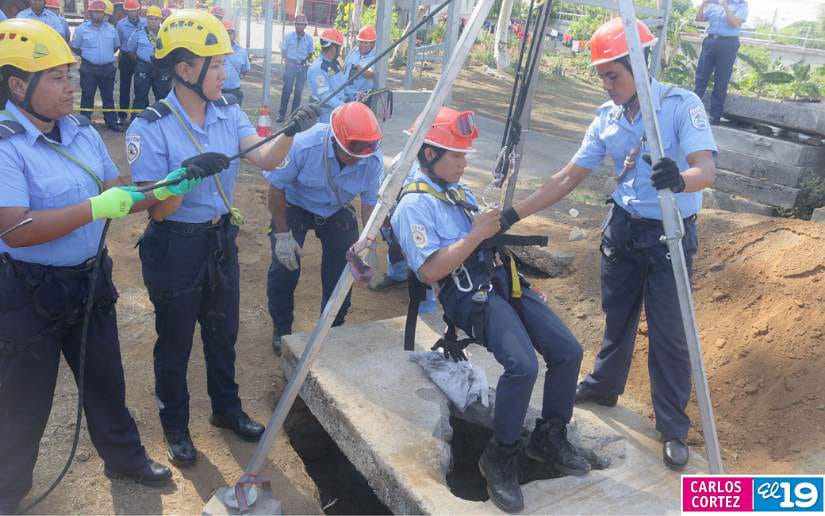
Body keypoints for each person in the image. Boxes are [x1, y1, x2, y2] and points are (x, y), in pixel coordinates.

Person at [506, 17, 717, 471]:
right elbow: (567, 176)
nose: (606, 85)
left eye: (613, 75)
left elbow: (706, 169)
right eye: (601, 75)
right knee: (617, 319)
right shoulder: (606, 119)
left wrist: (680, 179)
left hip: (668, 236)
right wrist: (512, 214)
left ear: (639, 65)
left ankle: (673, 427)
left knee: (669, 334)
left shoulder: (680, 106)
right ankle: (604, 385)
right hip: (623, 230)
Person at [126, 8, 318, 467]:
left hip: (218, 241)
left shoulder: (229, 111)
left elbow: (267, 158)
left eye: (223, 63)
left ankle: (226, 410)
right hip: (174, 245)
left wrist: (291, 132)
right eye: (215, 64)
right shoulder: (149, 127)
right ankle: (175, 425)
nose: (224, 72)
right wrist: (183, 179)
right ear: (183, 69)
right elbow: (156, 207)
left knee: (222, 332)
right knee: (174, 340)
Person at [0, 19, 173, 513]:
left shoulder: (80, 133)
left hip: (89, 279)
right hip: (27, 292)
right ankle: (6, 490)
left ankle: (123, 457)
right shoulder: (6, 146)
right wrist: (93, 209)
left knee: (105, 378)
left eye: (69, 74)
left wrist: (168, 185)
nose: (70, 85)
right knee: (22, 398)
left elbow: (116, 191)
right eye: (55, 77)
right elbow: (13, 227)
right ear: (18, 85)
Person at [390, 106, 589, 514]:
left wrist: (525, 286)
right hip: (467, 295)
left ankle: (549, 436)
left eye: (465, 155)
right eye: (457, 156)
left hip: (501, 281)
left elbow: (490, 242)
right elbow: (429, 271)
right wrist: (476, 233)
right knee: (522, 365)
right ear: (429, 154)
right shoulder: (413, 206)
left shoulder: (457, 191)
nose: (465, 163)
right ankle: (499, 455)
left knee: (568, 351)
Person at [264, 101, 383, 356]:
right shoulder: (304, 144)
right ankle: (282, 328)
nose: (360, 155)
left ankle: (332, 329)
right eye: (354, 148)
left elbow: (369, 203)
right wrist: (283, 235)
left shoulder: (372, 159)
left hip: (336, 209)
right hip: (296, 205)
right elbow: (276, 188)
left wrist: (369, 244)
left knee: (342, 272)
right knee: (285, 268)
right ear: (336, 139)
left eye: (368, 148)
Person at [70, 0, 122, 132]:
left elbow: (116, 47)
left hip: (107, 68)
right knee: (87, 96)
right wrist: (89, 57)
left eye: (100, 12)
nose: (98, 14)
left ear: (104, 13)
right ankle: (84, 124)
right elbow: (75, 47)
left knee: (108, 97)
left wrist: (104, 56)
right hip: (89, 68)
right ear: (90, 13)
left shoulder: (112, 29)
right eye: (95, 11)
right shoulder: (82, 29)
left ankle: (111, 122)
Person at [694, 0, 748, 125]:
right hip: (710, 41)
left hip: (728, 44)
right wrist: (703, 4)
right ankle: (690, 109)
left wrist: (725, 5)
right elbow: (699, 19)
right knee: (701, 78)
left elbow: (735, 23)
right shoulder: (713, 4)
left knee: (721, 80)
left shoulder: (741, 5)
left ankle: (714, 116)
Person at [125, 5, 169, 115]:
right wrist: (140, 62)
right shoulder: (138, 32)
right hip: (143, 67)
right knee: (140, 95)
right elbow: (130, 50)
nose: (153, 21)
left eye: (156, 19)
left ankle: (163, 122)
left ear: (160, 20)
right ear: (146, 19)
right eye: (150, 18)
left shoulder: (166, 33)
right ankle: (137, 120)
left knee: (162, 96)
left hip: (161, 68)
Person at [307, 27, 347, 124]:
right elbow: (325, 96)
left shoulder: (332, 64)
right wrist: (345, 107)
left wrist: (354, 95)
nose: (340, 51)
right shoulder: (317, 69)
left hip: (337, 112)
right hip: (325, 117)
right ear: (334, 49)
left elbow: (341, 85)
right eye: (339, 48)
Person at [277, 14, 313, 123]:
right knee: (287, 90)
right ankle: (281, 114)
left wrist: (304, 61)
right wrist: (287, 61)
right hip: (291, 65)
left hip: (303, 67)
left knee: (298, 92)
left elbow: (310, 53)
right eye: (297, 24)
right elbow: (283, 50)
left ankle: (293, 116)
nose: (299, 26)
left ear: (305, 26)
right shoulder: (288, 37)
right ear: (294, 25)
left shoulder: (309, 39)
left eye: (301, 24)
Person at [115, 0, 145, 125]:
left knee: (141, 88)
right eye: (129, 11)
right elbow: (119, 43)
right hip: (126, 58)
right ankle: (122, 115)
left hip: (141, 59)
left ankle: (138, 115)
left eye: (134, 10)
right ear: (126, 11)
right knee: (124, 87)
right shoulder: (120, 25)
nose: (132, 13)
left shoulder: (145, 22)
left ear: (139, 10)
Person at [343, 25, 376, 102]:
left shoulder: (375, 57)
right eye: (360, 42)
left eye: (365, 43)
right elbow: (344, 68)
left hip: (361, 97)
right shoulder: (353, 51)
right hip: (345, 92)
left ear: (372, 44)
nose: (362, 45)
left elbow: (371, 74)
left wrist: (361, 70)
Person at [221, 20, 250, 105]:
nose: (227, 36)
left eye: (229, 33)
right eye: (224, 33)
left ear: (234, 35)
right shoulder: (213, 50)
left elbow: (245, 69)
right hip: (217, 92)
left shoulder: (241, 51)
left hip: (234, 91)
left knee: (234, 116)